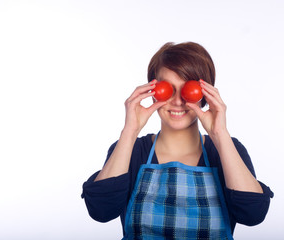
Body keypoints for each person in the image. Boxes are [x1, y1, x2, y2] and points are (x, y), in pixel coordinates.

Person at [81, 42, 273, 239]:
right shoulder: (131, 150)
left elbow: (253, 214)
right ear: (153, 92)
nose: (178, 101)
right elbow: (101, 211)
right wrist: (130, 131)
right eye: (167, 89)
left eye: (189, 89)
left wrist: (220, 134)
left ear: (206, 95)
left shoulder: (227, 150)